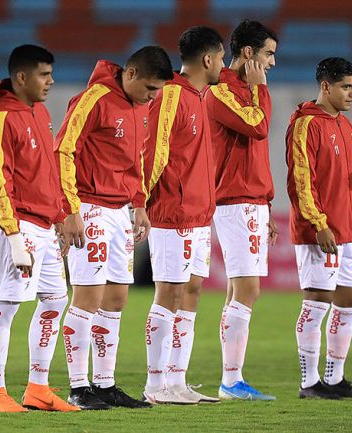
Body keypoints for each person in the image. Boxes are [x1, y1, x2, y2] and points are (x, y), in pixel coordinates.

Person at [56, 45, 173, 410]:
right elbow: (63, 150)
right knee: (87, 298)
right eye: (151, 88)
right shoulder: (94, 99)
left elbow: (135, 161)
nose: (154, 97)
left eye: (158, 91)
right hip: (89, 207)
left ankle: (105, 384)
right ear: (132, 74)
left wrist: (139, 203)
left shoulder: (142, 107)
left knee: (117, 298)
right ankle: (78, 386)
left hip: (120, 211)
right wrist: (69, 210)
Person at [0, 44, 80, 413]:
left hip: (42, 224)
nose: (51, 81)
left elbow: (46, 173)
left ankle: (37, 387)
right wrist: (13, 235)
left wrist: (60, 217)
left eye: (51, 74)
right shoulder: (0, 118)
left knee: (55, 300)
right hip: (17, 224)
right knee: (6, 305)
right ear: (21, 77)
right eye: (44, 74)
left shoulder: (37, 112)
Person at [141, 26, 224, 405]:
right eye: (222, 58)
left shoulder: (199, 97)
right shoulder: (172, 95)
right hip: (172, 214)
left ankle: (177, 381)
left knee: (190, 291)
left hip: (198, 215)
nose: (223, 65)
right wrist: (140, 200)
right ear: (207, 59)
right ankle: (154, 383)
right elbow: (154, 152)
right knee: (168, 293)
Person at [286, 57, 352, 400]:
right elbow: (299, 180)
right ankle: (309, 384)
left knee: (348, 301)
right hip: (319, 232)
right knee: (318, 302)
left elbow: (343, 171)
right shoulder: (305, 123)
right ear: (325, 86)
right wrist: (318, 224)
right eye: (346, 87)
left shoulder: (345, 125)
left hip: (347, 229)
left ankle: (335, 378)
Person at [204, 19, 278, 401]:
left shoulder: (244, 91)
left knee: (239, 289)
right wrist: (260, 91)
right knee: (247, 289)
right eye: (268, 54)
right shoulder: (222, 93)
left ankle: (232, 378)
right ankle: (231, 381)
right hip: (235, 200)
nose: (272, 64)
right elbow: (259, 128)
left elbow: (255, 151)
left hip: (250, 201)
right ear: (248, 53)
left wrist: (266, 202)